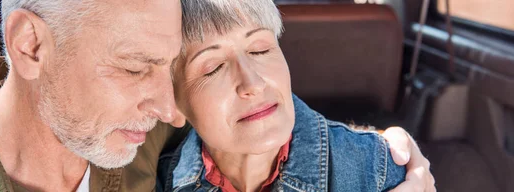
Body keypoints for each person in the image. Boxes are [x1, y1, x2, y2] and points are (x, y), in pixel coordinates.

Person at [0, 0, 433, 191]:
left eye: (167, 68)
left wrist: (377, 154)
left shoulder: (146, 132)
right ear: (30, 46)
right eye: (137, 67)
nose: (170, 110)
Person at [157, 0, 430, 191]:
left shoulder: (378, 170)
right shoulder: (161, 180)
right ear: (173, 105)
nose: (252, 83)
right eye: (213, 67)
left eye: (260, 49)